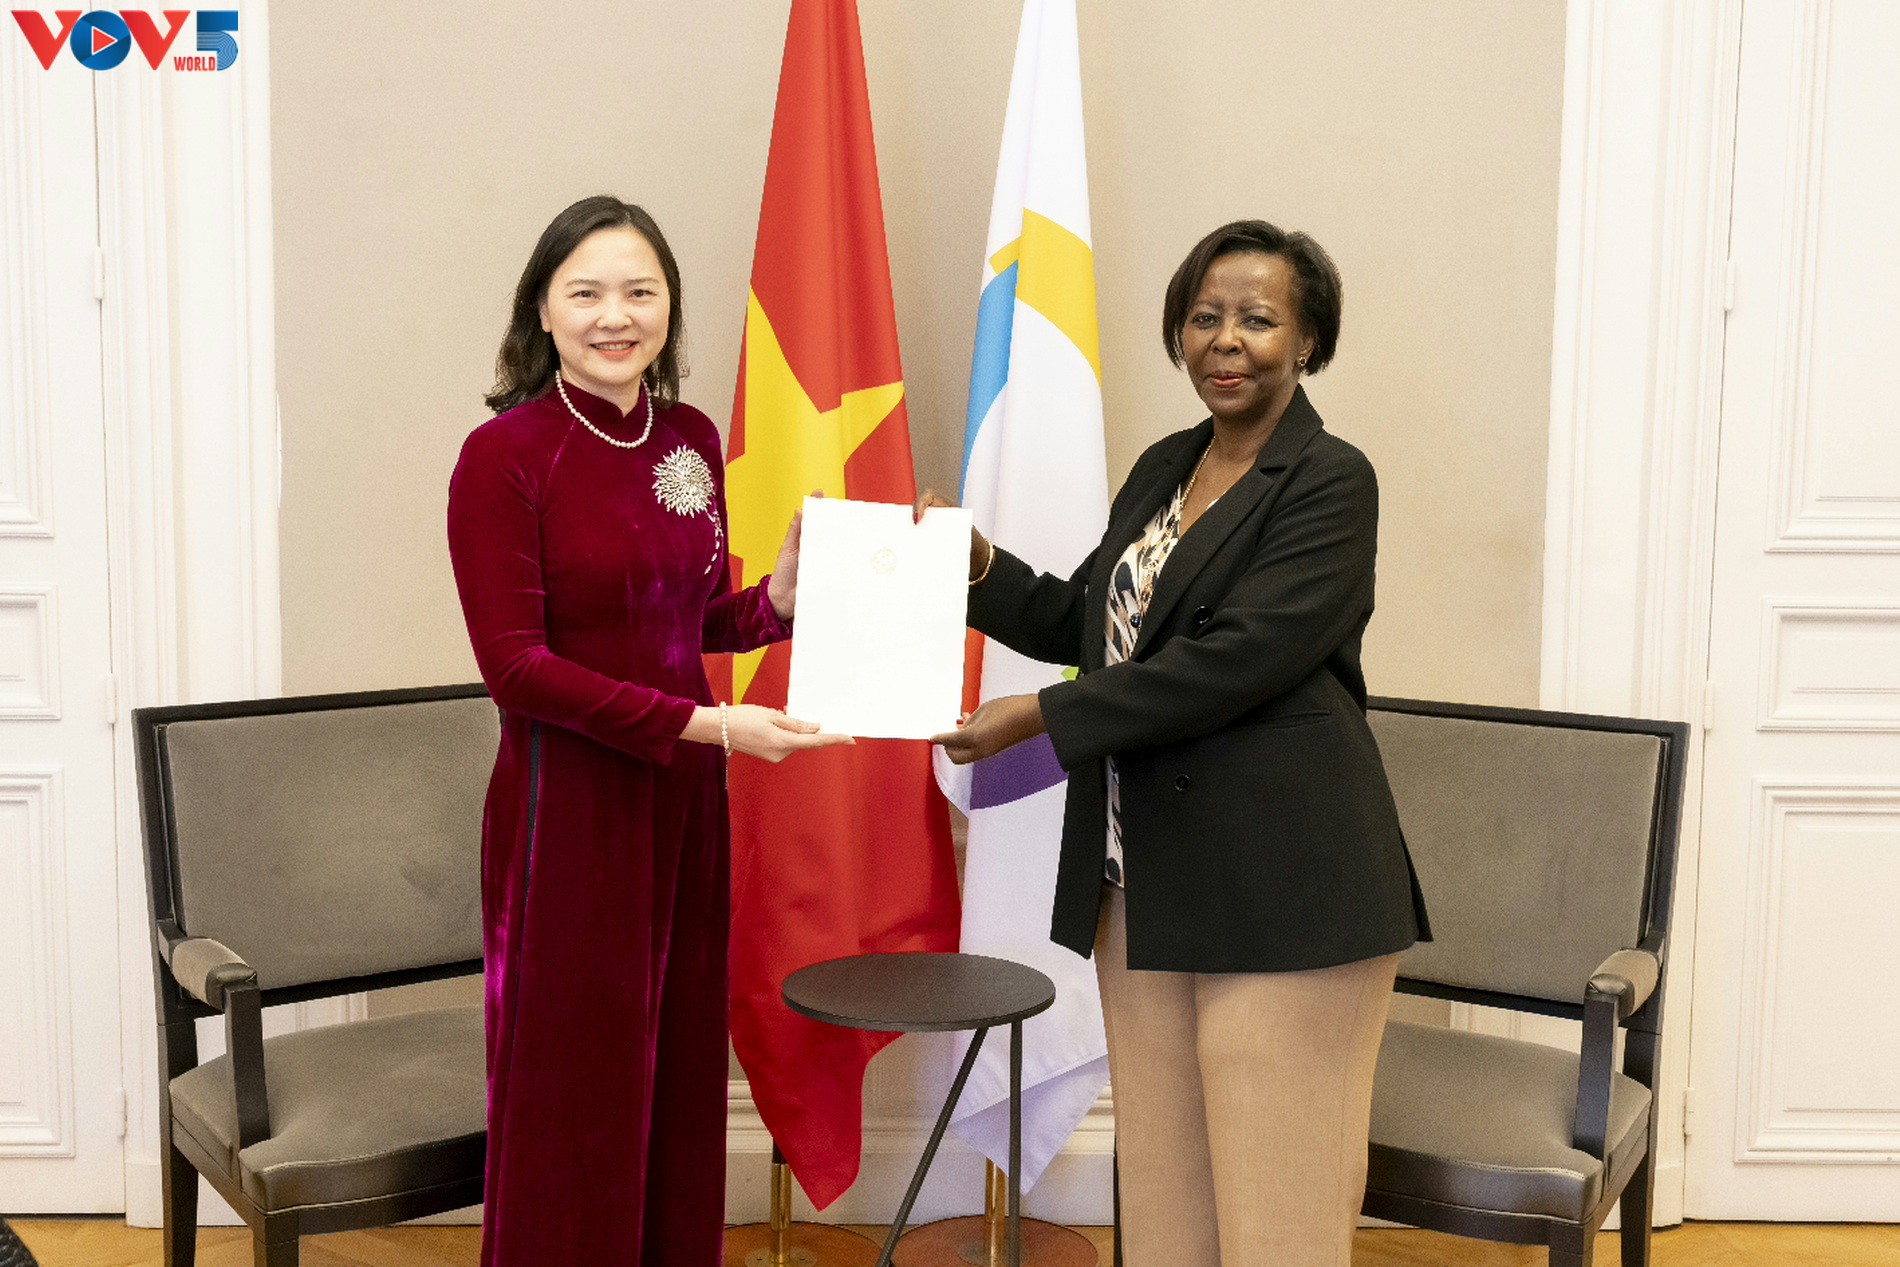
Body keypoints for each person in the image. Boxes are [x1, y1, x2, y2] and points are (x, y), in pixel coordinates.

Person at [925, 219, 1431, 1266]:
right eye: (1205, 317)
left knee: (1278, 1216)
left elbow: (1237, 660)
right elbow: (1092, 621)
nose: (1226, 339)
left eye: (1258, 319)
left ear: (1307, 341)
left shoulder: (1331, 480)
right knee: (1163, 1201)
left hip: (1286, 892)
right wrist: (977, 567)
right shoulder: (1168, 464)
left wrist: (1042, 718)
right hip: (1143, 883)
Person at [447, 195, 847, 1267]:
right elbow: (517, 670)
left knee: (676, 1076)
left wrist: (781, 599)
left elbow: (690, 619)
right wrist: (707, 724)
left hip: (683, 803)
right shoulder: (503, 456)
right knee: (576, 1093)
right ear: (542, 310)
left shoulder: (689, 438)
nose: (614, 316)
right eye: (585, 293)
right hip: (566, 816)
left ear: (669, 305)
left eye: (639, 291)